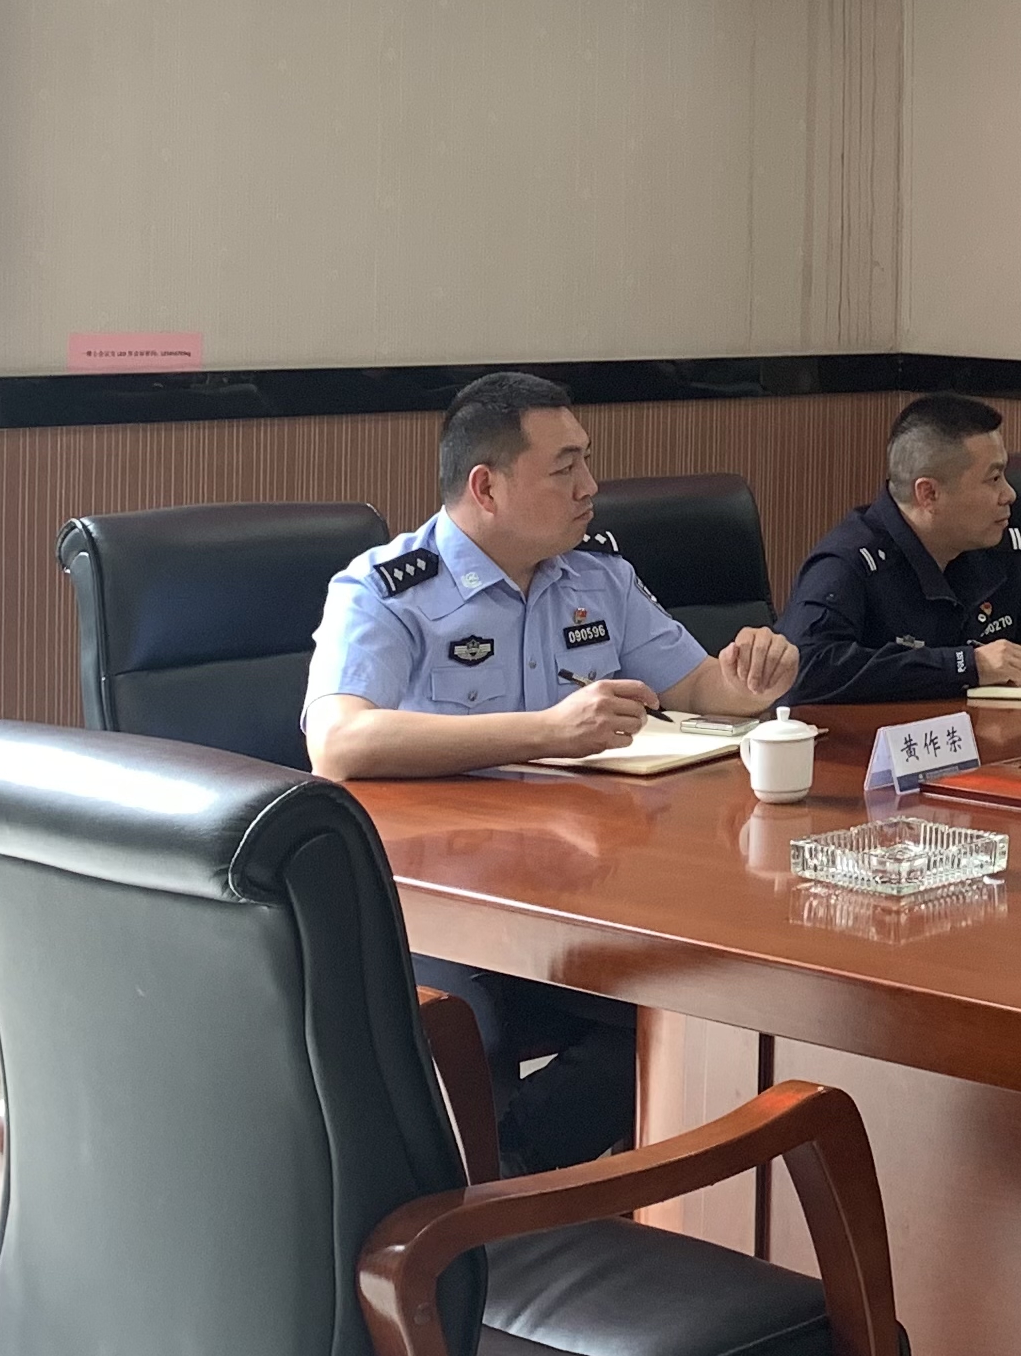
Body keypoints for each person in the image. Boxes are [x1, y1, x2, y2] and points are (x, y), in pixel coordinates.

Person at [303, 371, 803, 1171]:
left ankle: (511, 1177)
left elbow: (698, 686)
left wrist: (750, 680)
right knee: (480, 1034)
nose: (590, 486)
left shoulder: (596, 576)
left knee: (691, 1004)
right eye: (565, 467)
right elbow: (339, 743)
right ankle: (494, 1195)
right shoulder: (388, 590)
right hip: (442, 904)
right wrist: (544, 733)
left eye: (587, 461)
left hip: (582, 891)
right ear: (486, 487)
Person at [781, 394, 1021, 704]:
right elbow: (805, 667)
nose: (1010, 494)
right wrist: (965, 665)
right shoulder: (850, 562)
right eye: (993, 479)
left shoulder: (993, 548)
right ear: (929, 494)